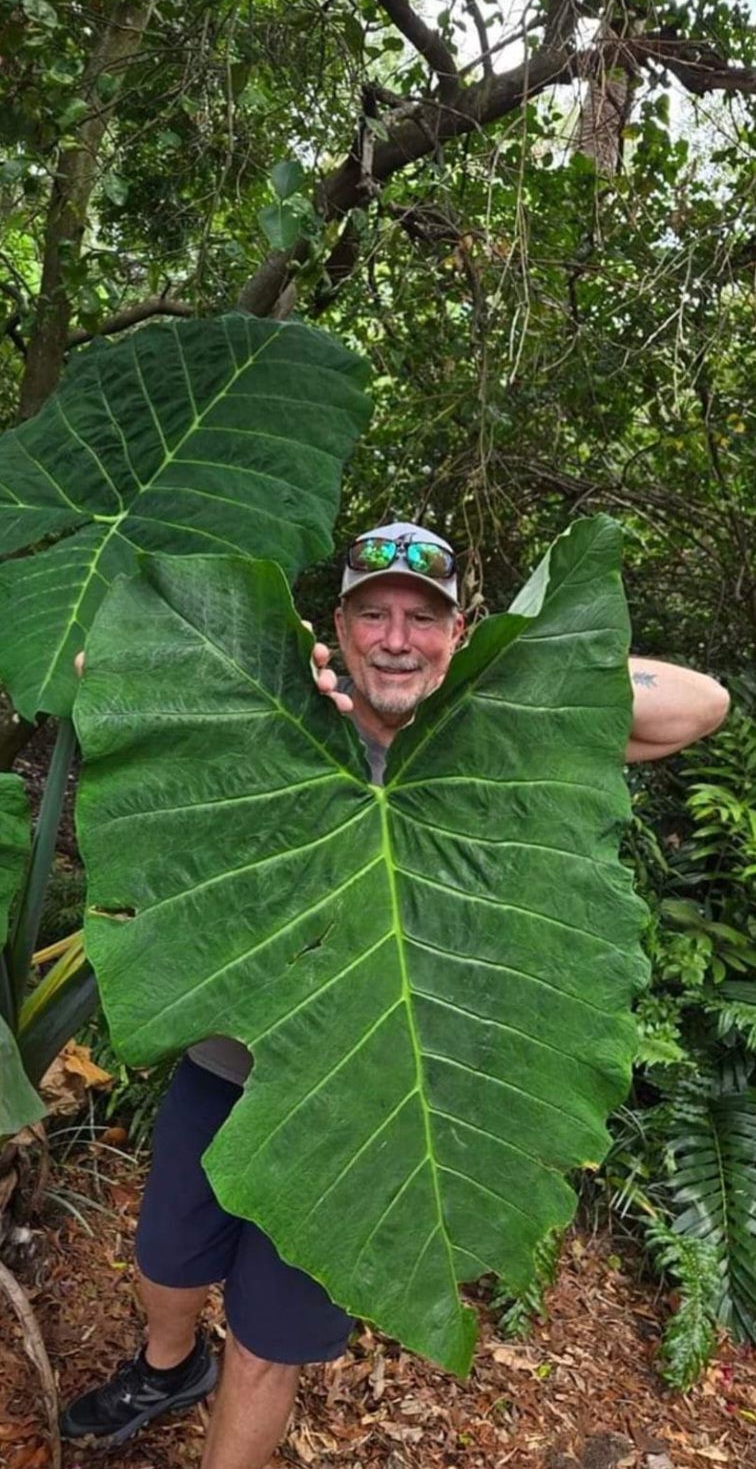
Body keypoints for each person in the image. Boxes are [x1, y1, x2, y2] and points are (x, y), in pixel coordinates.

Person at [60, 521, 730, 1463]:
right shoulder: (279, 710)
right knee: (165, 1265)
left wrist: (542, 672)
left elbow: (701, 704)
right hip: (232, 1066)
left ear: (459, 633)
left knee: (267, 1348)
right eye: (373, 614)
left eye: (424, 619)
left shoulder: (499, 736)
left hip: (373, 1096)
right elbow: (106, 655)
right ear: (339, 621)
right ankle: (168, 1366)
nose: (397, 637)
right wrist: (277, 653)